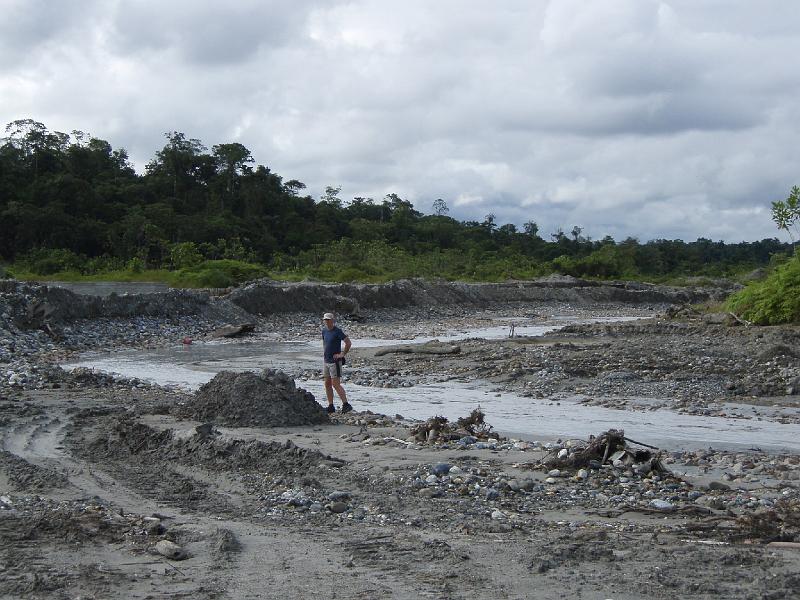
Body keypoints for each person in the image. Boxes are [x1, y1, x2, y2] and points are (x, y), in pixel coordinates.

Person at [321, 312, 352, 413]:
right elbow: (325, 344)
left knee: (336, 384)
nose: (327, 321)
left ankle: (346, 404)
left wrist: (342, 354)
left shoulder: (337, 331)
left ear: (332, 320)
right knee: (327, 383)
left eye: (328, 320)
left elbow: (348, 342)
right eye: (325, 320)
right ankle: (331, 405)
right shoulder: (324, 331)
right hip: (326, 360)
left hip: (335, 362)